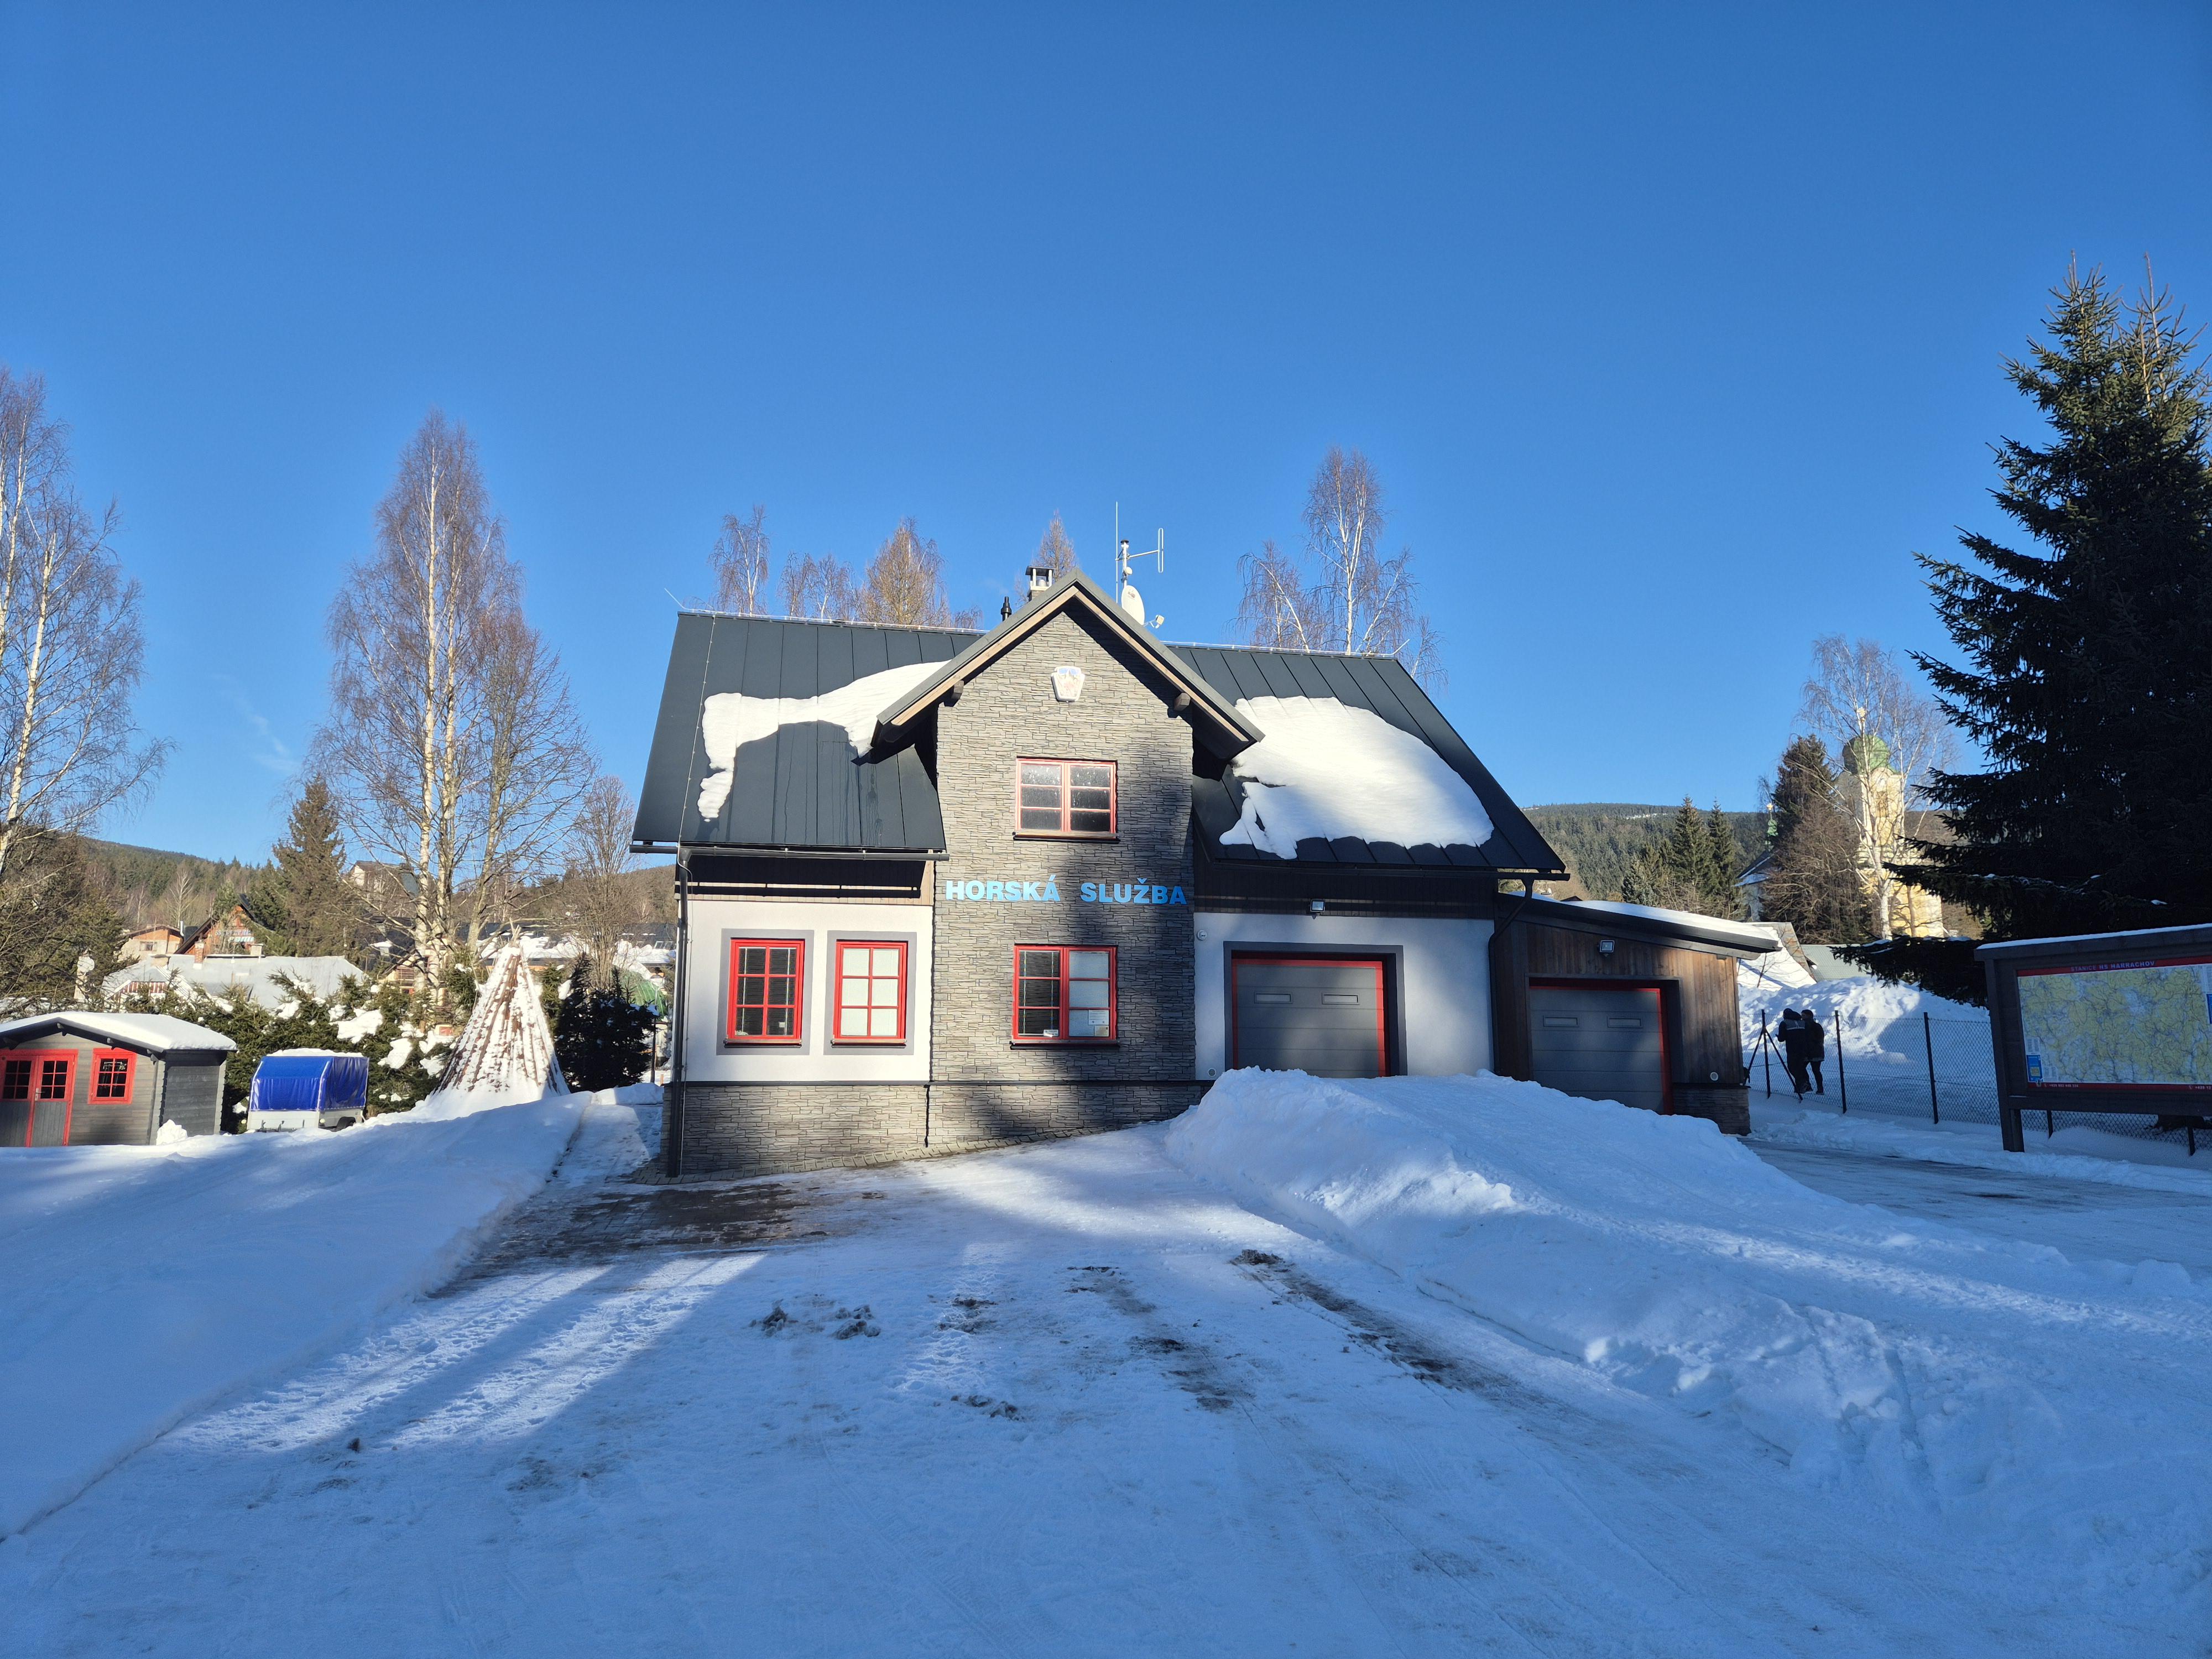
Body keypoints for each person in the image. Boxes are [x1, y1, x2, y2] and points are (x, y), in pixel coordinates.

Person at [1778, 1008, 1813, 1098]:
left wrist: (1780, 1036)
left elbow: (1781, 1039)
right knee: (1801, 1067)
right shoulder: (1802, 1022)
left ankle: (1802, 1084)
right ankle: (1805, 1086)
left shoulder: (1785, 1023)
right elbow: (1808, 1035)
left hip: (1792, 1050)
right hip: (1804, 1049)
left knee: (1792, 1068)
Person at [1805, 1009, 1827, 1095]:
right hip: (1811, 1052)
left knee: (1816, 1071)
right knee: (1814, 1070)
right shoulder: (1814, 1026)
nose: (1802, 1017)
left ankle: (1818, 1088)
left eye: (1803, 1016)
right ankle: (1810, 1086)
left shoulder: (1814, 1027)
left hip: (1814, 1053)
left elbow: (1819, 1039)